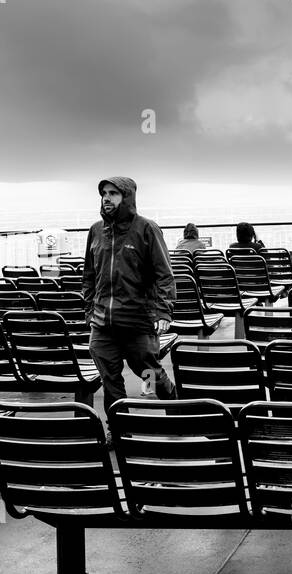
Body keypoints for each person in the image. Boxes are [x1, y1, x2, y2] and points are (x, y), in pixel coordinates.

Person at [81, 176, 177, 437]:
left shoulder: (146, 229)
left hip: (137, 320)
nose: (107, 198)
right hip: (102, 323)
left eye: (113, 193)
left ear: (127, 197)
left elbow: (164, 274)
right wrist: (91, 310)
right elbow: (89, 275)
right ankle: (121, 430)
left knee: (147, 372)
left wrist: (163, 310)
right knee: (110, 381)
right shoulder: (96, 230)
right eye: (104, 193)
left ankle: (175, 410)